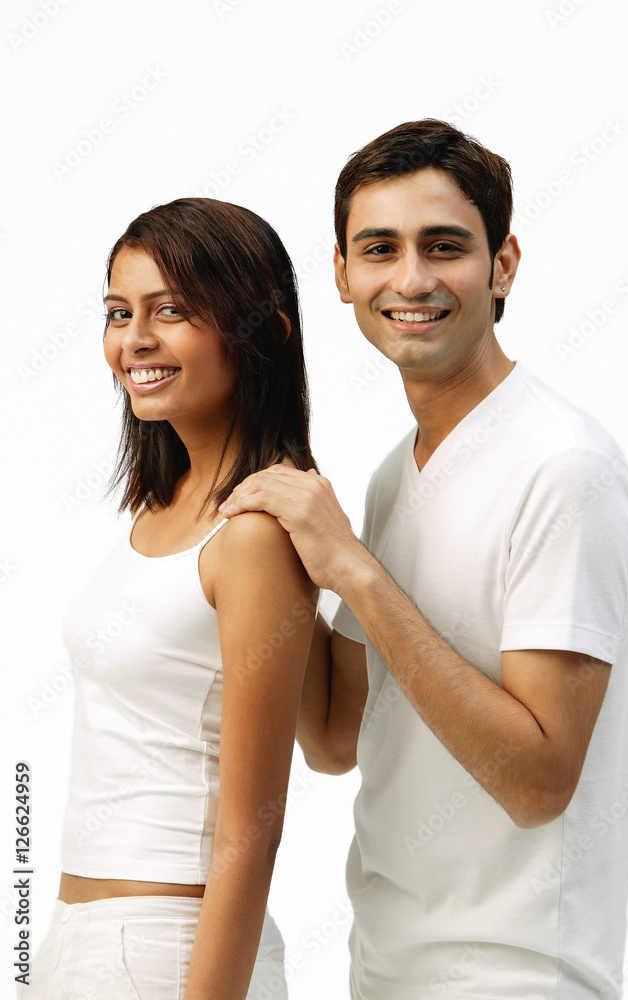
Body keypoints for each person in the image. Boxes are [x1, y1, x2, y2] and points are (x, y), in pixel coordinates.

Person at [219, 120, 628, 1000]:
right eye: (379, 249)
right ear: (342, 274)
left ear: (503, 265)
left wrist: (353, 571)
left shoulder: (562, 467)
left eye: (444, 246)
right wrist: (265, 544)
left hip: (515, 980)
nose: (410, 279)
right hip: (384, 972)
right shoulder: (392, 477)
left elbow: (536, 782)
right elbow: (334, 736)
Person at [24, 198, 317, 999]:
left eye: (172, 310)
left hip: (165, 949)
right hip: (84, 939)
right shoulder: (163, 506)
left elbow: (252, 829)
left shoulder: (253, 533)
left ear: (260, 333)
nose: (135, 339)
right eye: (120, 312)